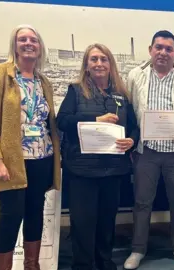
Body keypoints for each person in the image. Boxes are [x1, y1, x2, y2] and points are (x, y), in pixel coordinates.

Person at [0, 25, 61, 270]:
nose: (28, 43)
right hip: (12, 160)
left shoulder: (43, 81)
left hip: (42, 157)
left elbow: (48, 121)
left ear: (40, 48)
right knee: (11, 215)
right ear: (14, 45)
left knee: (35, 212)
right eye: (22, 39)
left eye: (33, 40)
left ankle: (31, 265)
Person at [123, 30, 174, 269]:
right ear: (150, 50)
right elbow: (128, 111)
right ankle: (138, 249)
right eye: (158, 47)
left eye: (168, 49)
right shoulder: (135, 75)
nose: (163, 52)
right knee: (141, 202)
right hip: (145, 152)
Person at [56, 43, 139, 270]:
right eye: (94, 59)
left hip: (113, 170)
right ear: (87, 65)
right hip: (82, 171)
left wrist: (131, 141)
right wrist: (95, 120)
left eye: (104, 59)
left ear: (110, 65)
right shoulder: (75, 91)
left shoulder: (121, 95)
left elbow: (134, 127)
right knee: (82, 224)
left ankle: (104, 262)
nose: (99, 63)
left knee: (106, 222)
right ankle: (83, 265)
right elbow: (62, 121)